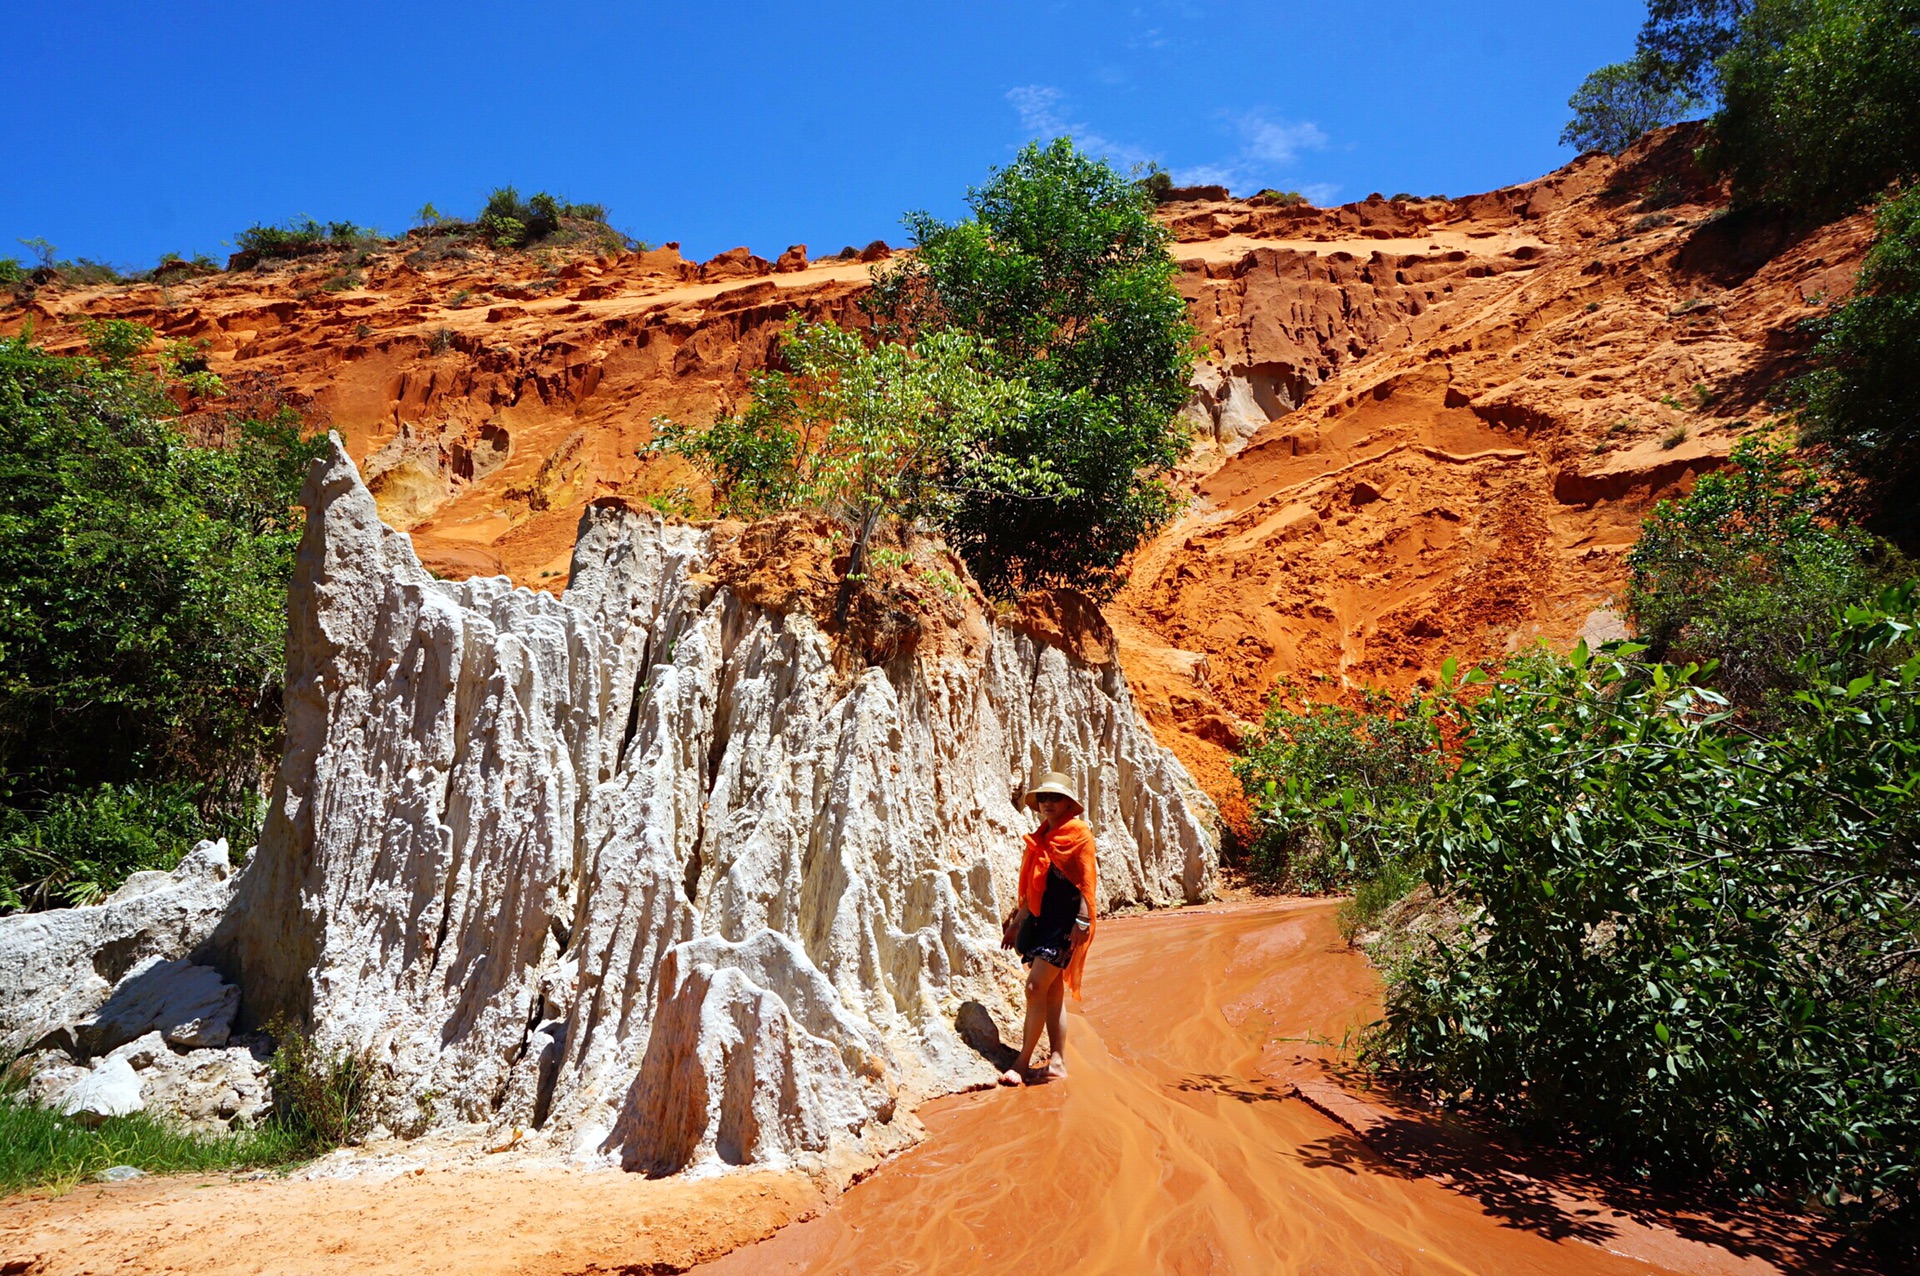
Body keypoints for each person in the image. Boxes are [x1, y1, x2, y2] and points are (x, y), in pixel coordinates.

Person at [998, 771, 1097, 1086]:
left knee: (1034, 987)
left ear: (1069, 803)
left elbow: (1086, 883)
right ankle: (1057, 1062)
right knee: (1052, 994)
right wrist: (1017, 923)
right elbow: (1033, 887)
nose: (1048, 803)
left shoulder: (1079, 834)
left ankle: (1021, 1062)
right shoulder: (1041, 837)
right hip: (1041, 921)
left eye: (1055, 798)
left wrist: (1083, 919)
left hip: (1065, 926)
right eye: (1043, 798)